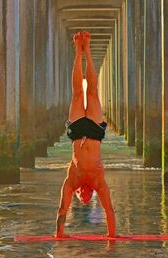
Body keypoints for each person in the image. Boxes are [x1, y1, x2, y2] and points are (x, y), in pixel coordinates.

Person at [55, 31, 116, 238]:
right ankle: (87, 49)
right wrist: (112, 236)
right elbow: (109, 211)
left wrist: (59, 233)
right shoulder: (99, 182)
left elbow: (62, 210)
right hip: (95, 132)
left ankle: (78, 51)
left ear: (77, 192)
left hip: (78, 131)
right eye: (85, 198)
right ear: (91, 194)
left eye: (80, 197)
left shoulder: (71, 180)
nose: (82, 196)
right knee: (92, 92)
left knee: (77, 92)